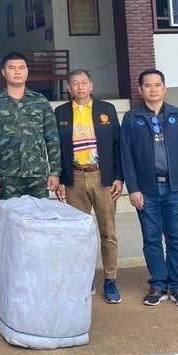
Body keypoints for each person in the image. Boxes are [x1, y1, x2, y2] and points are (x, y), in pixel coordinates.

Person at [120, 69, 178, 309]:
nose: (153, 89)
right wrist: (133, 189)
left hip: (176, 189)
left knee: (176, 239)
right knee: (151, 239)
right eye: (148, 85)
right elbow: (126, 156)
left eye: (157, 85)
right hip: (147, 191)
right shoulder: (132, 118)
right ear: (140, 89)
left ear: (165, 88)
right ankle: (158, 285)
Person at [54, 69, 124, 305]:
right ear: (69, 88)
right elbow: (56, 148)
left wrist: (118, 177)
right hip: (74, 178)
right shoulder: (61, 112)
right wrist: (59, 178)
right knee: (79, 233)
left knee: (108, 231)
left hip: (103, 177)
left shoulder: (106, 109)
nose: (80, 87)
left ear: (91, 86)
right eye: (75, 83)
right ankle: (85, 278)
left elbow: (117, 145)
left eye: (84, 82)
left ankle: (110, 279)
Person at [0, 52, 62, 200]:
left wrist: (55, 172)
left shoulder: (40, 101)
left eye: (21, 67)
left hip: (37, 174)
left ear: (27, 71)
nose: (17, 72)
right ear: (3, 72)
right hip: (7, 175)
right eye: (12, 68)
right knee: (10, 214)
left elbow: (52, 139)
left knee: (39, 214)